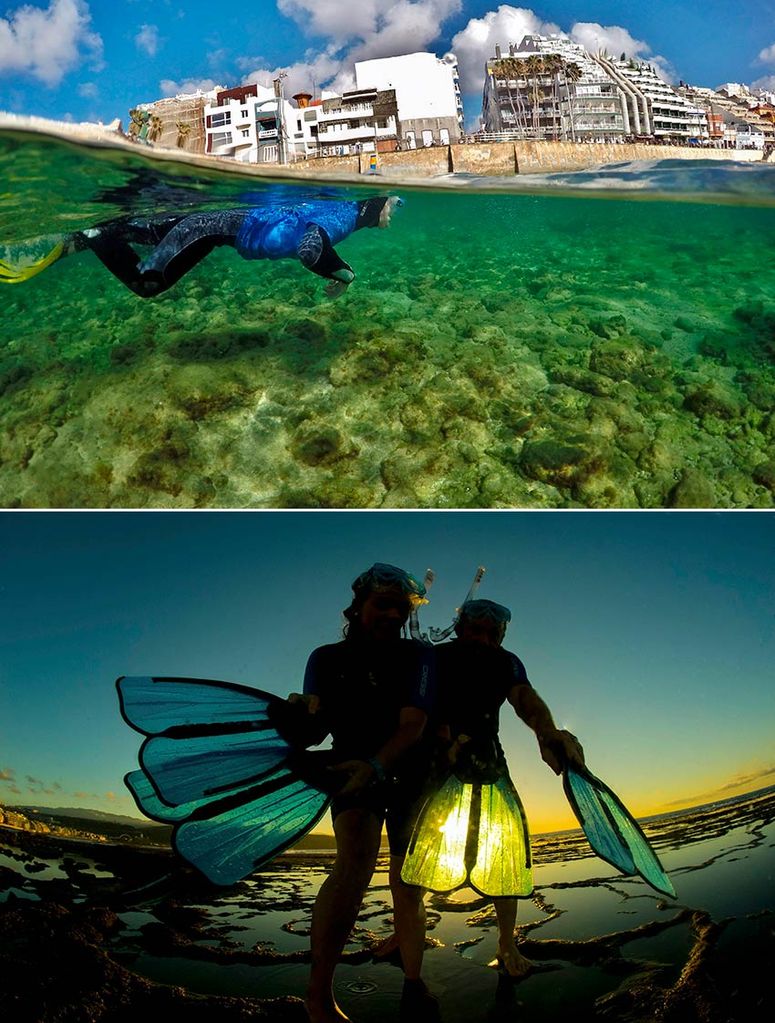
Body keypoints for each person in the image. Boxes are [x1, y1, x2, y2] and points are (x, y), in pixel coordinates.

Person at [290, 563, 438, 1023]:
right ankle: (318, 996)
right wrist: (299, 713)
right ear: (357, 608)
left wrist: (378, 764)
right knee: (355, 860)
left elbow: (414, 726)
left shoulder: (419, 657)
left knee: (408, 879)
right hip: (350, 767)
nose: (393, 613)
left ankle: (410, 971)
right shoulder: (325, 659)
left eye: (402, 607)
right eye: (382, 604)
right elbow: (312, 733)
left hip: (409, 770)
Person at [433, 598, 585, 979]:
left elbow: (525, 700)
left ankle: (506, 942)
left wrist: (547, 732)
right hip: (434, 758)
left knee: (504, 848)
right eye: (476, 631)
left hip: (487, 756)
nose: (484, 640)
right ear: (459, 628)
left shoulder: (505, 662)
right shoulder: (433, 657)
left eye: (493, 634)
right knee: (423, 843)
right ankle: (405, 932)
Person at [0, 195, 402, 299]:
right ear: (377, 205)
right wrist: (345, 274)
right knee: (148, 284)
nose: (394, 215)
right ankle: (94, 236)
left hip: (216, 229)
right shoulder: (343, 215)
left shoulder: (342, 210)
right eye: (395, 206)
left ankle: (96, 235)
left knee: (148, 233)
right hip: (211, 227)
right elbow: (310, 249)